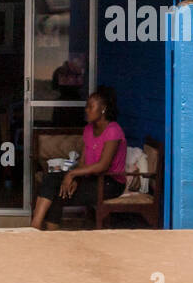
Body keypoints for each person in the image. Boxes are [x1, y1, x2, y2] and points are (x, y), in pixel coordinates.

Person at [31, 87, 126, 230]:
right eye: (86, 106)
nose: (87, 110)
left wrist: (72, 174)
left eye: (90, 106)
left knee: (59, 192)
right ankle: (35, 226)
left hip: (110, 183)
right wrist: (76, 177)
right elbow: (82, 161)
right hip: (91, 178)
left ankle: (46, 233)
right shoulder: (88, 129)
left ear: (103, 108)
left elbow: (103, 165)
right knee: (51, 179)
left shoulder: (113, 130)